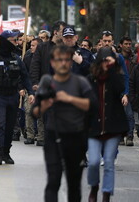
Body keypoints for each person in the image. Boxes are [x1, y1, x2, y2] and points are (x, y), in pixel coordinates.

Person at [32, 44, 96, 202]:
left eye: (67, 60)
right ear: (53, 63)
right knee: (53, 181)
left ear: (71, 62)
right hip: (54, 137)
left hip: (76, 137)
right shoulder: (47, 82)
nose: (63, 63)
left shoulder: (80, 82)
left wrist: (69, 99)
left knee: (74, 184)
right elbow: (34, 112)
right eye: (59, 60)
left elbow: (93, 105)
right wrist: (46, 104)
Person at [0, 30, 34, 165]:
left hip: (13, 96)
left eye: (16, 40)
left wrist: (31, 93)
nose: (16, 43)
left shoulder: (16, 58)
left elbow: (25, 76)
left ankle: (6, 152)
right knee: (0, 125)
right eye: (12, 40)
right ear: (5, 41)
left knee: (10, 126)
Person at [86, 47, 129, 202]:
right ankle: (94, 187)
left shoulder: (116, 77)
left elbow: (120, 88)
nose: (106, 63)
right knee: (93, 162)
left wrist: (112, 69)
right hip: (93, 128)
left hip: (113, 127)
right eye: (103, 60)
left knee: (109, 162)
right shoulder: (91, 78)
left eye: (108, 60)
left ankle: (106, 194)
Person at [29, 21, 67, 146]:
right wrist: (35, 83)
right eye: (63, 32)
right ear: (56, 32)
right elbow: (35, 66)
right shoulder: (42, 47)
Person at [118, 36, 136, 146]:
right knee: (120, 114)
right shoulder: (117, 58)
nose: (128, 46)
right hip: (119, 88)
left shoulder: (134, 58)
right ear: (121, 45)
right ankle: (120, 136)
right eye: (126, 44)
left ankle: (129, 136)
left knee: (129, 114)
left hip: (130, 88)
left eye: (130, 44)